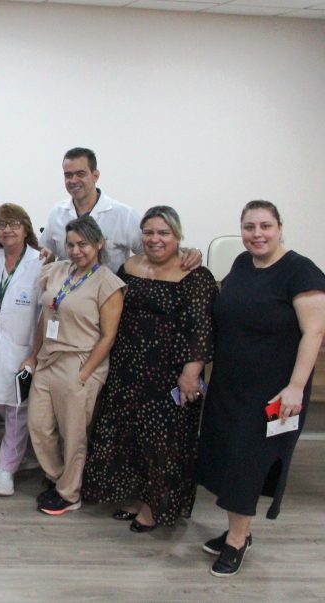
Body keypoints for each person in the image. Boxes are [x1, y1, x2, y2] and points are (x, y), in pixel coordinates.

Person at [195, 200, 325, 577]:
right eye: (249, 227)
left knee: (247, 463)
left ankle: (237, 540)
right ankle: (238, 530)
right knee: (227, 457)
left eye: (265, 226)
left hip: (273, 391)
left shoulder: (300, 271)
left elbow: (314, 333)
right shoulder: (241, 264)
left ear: (280, 227)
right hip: (231, 384)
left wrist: (296, 388)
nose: (257, 234)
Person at [81, 206, 217, 531]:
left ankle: (154, 507)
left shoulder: (195, 275)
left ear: (177, 236)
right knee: (128, 437)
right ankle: (134, 496)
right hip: (127, 368)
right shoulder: (129, 266)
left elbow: (201, 330)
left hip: (168, 374)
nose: (155, 239)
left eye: (163, 233)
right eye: (149, 232)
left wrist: (190, 373)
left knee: (162, 443)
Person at [25, 215, 125, 515]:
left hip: (79, 361)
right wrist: (34, 355)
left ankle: (70, 494)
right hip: (48, 359)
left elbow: (108, 336)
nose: (76, 250)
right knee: (39, 425)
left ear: (99, 244)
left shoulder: (108, 283)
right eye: (70, 245)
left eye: (83, 244)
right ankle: (60, 477)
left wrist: (84, 373)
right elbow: (46, 316)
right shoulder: (57, 270)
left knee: (74, 434)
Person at [40, 147, 200, 272]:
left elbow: (153, 248)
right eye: (68, 175)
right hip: (66, 295)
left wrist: (190, 252)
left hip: (109, 296)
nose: (73, 180)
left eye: (80, 174)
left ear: (95, 175)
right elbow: (44, 251)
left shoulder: (123, 214)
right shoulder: (57, 213)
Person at [0, 204, 44, 496]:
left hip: (24, 350)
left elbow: (45, 313)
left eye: (15, 224)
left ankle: (5, 471)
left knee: (17, 412)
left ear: (26, 228)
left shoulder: (40, 263)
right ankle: (25, 455)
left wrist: (35, 354)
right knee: (3, 405)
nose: (8, 230)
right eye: (2, 225)